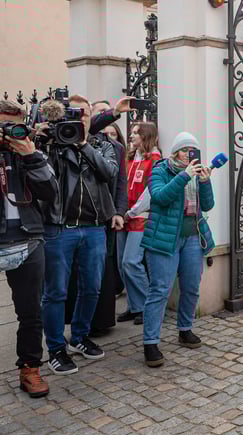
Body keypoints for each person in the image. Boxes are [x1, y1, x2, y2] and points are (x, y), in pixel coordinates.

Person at [41, 94, 119, 375]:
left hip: (95, 227)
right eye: (75, 113)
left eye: (85, 113)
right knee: (56, 292)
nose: (80, 118)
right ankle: (55, 349)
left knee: (92, 287)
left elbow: (109, 173)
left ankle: (80, 337)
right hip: (60, 227)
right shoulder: (54, 145)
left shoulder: (103, 145)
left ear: (91, 118)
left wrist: (84, 144)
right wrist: (49, 140)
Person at [140, 132, 214, 367]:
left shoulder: (195, 173)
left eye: (194, 150)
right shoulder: (160, 169)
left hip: (192, 237)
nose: (190, 154)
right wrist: (184, 176)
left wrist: (205, 182)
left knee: (191, 287)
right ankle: (150, 342)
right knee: (160, 290)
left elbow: (208, 204)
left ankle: (185, 329)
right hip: (165, 239)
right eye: (185, 150)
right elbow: (160, 197)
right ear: (175, 152)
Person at [0, 100, 58, 397]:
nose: (10, 132)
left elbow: (51, 193)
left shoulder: (29, 153)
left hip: (28, 238)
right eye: (4, 126)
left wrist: (31, 155)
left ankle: (31, 368)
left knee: (30, 311)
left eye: (15, 126)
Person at [64, 103, 128, 336]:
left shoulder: (114, 148)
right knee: (76, 275)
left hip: (106, 214)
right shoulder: (73, 138)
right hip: (79, 217)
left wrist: (119, 211)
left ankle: (100, 321)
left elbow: (121, 182)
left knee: (102, 272)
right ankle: (77, 322)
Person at [118, 122, 161, 325]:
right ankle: (134, 306)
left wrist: (132, 212)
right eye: (132, 132)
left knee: (131, 261)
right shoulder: (130, 158)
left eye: (136, 133)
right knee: (121, 264)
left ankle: (147, 306)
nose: (131, 136)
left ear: (146, 136)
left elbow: (149, 192)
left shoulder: (154, 159)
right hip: (124, 216)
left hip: (139, 217)